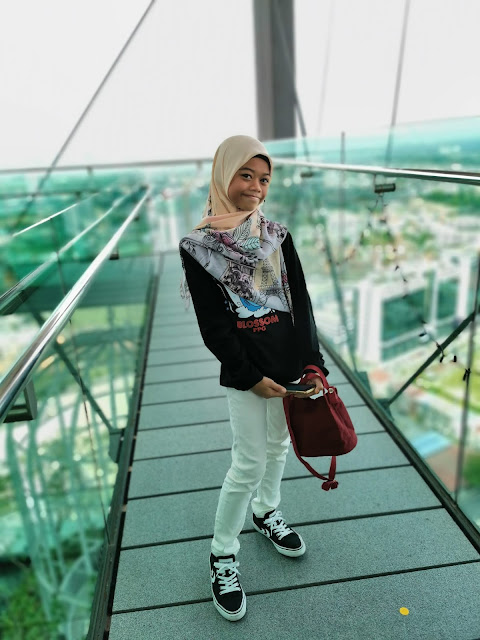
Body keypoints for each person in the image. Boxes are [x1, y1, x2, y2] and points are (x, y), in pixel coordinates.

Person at [179, 135, 329, 622]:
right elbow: (213, 325)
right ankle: (222, 555)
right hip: (247, 372)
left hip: (290, 366)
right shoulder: (198, 247)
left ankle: (267, 511)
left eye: (264, 179)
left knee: (278, 447)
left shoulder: (277, 236)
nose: (256, 187)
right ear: (224, 175)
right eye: (246, 175)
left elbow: (300, 303)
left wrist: (313, 363)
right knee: (247, 462)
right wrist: (249, 377)